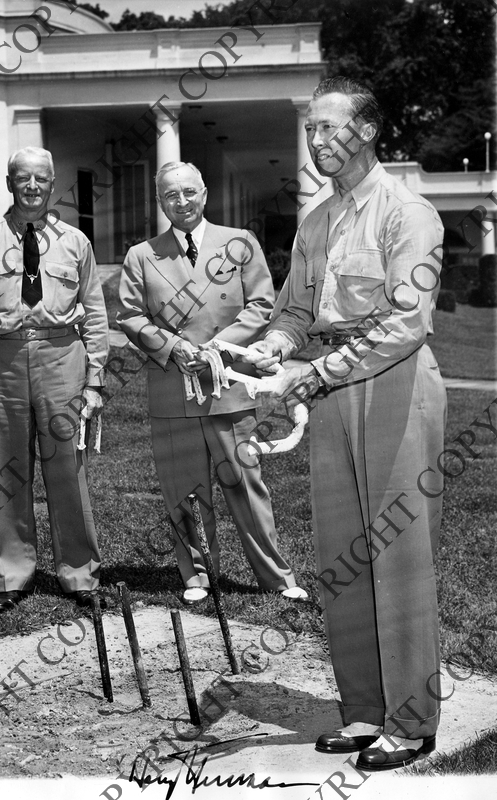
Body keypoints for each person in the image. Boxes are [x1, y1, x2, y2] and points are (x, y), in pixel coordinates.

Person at [244, 78, 446, 770]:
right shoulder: (316, 220)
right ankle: (362, 711)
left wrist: (313, 373)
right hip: (330, 391)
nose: (317, 142)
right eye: (311, 130)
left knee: (398, 558)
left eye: (331, 129)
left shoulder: (406, 213)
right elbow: (295, 312)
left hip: (392, 385)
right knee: (343, 558)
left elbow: (405, 323)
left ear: (366, 131)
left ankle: (411, 720)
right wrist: (273, 348)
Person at [117, 161, 306, 605]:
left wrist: (217, 349)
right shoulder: (141, 255)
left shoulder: (240, 243)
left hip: (230, 385)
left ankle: (276, 577)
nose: (180, 202)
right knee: (183, 489)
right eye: (170, 195)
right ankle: (197, 575)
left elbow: (262, 304)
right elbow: (129, 315)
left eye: (188, 192)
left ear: (204, 194)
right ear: (159, 201)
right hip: (172, 388)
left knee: (244, 482)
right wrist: (172, 347)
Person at [0, 146, 109, 612]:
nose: (33, 187)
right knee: (7, 469)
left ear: (52, 182)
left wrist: (95, 380)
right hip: (0, 359)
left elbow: (96, 313)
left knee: (67, 467)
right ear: (10, 182)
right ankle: (11, 575)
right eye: (24, 178)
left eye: (41, 178)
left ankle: (79, 574)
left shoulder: (76, 242)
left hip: (61, 356)